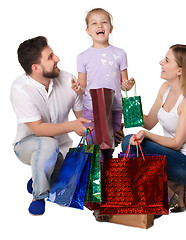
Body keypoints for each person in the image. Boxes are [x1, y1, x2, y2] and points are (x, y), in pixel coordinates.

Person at [10, 36, 91, 215]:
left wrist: (85, 98)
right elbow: (38, 129)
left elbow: (83, 121)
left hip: (62, 151)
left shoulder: (68, 80)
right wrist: (72, 126)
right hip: (27, 146)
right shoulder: (20, 89)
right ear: (36, 68)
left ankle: (41, 176)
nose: (57, 59)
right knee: (48, 143)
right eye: (50, 57)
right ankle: (38, 196)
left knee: (77, 185)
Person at [122, 44, 186, 213]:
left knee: (131, 144)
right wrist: (128, 94)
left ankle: (172, 187)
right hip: (172, 157)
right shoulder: (165, 89)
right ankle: (174, 189)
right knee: (129, 142)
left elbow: (176, 143)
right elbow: (148, 122)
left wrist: (146, 135)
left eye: (167, 60)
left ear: (180, 70)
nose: (161, 62)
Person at [71, 7, 134, 158]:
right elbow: (82, 86)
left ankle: (107, 177)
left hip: (115, 108)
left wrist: (129, 85)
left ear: (111, 28)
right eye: (94, 23)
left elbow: (124, 82)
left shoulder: (120, 53)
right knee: (94, 148)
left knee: (109, 148)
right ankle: (96, 178)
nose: (99, 26)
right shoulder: (83, 56)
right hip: (91, 109)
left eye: (104, 22)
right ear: (88, 31)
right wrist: (77, 88)